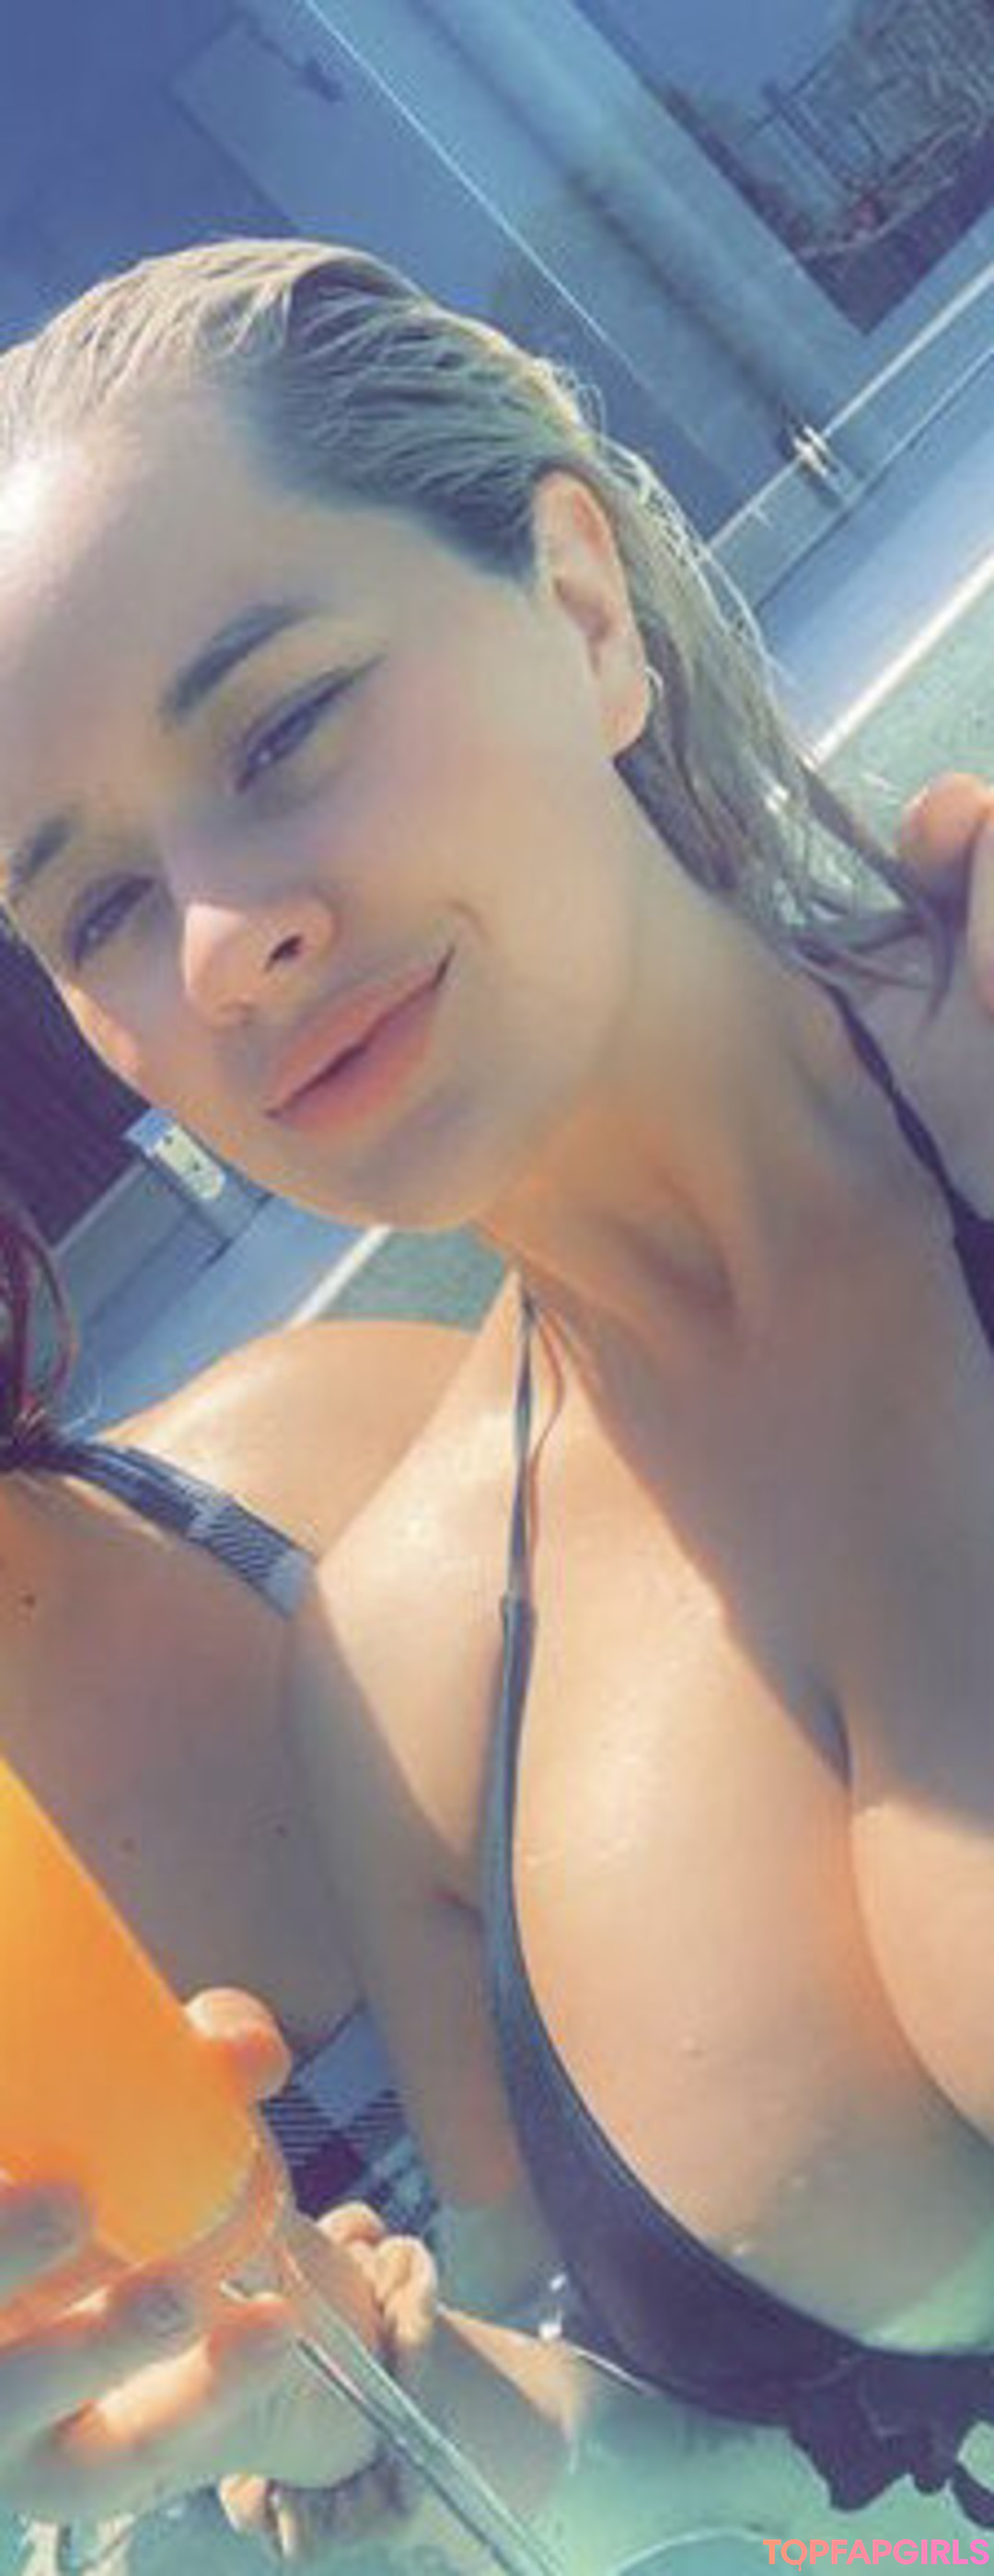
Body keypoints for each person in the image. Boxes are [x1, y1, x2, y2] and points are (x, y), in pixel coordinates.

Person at [1, 233, 994, 2558]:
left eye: (282, 728)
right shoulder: (408, 1671)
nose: (227, 939)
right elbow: (736, 2467)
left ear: (578, 603)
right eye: (97, 909)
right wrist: (370, 2400)